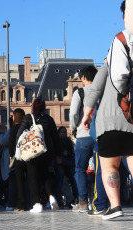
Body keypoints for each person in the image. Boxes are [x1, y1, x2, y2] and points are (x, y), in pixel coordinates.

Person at [81, 1, 133, 220]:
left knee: (109, 163)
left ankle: (115, 206)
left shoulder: (112, 58)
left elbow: (93, 91)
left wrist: (85, 116)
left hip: (112, 118)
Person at [16, 98, 61, 213]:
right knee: (45, 175)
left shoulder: (28, 118)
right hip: (46, 152)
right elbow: (56, 139)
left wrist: (18, 150)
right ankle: (51, 197)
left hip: (33, 153)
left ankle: (37, 203)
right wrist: (58, 154)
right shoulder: (49, 119)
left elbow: (19, 135)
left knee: (33, 178)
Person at [70, 65, 97, 212]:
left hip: (83, 135)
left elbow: (74, 113)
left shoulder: (79, 92)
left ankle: (82, 202)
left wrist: (73, 127)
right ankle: (103, 200)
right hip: (101, 134)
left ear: (84, 78)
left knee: (80, 169)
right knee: (102, 167)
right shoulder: (102, 91)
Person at [55, 126, 78, 208]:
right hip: (60, 163)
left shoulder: (69, 141)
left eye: (65, 132)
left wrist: (67, 154)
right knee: (60, 181)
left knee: (73, 180)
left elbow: (72, 153)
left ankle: (76, 200)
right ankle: (58, 200)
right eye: (62, 132)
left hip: (68, 163)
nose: (64, 133)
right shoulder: (56, 142)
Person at [9, 108, 27, 211]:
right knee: (29, 181)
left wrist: (11, 156)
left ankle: (21, 205)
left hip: (18, 156)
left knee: (19, 181)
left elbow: (11, 144)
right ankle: (31, 203)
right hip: (28, 156)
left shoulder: (13, 129)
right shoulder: (27, 128)